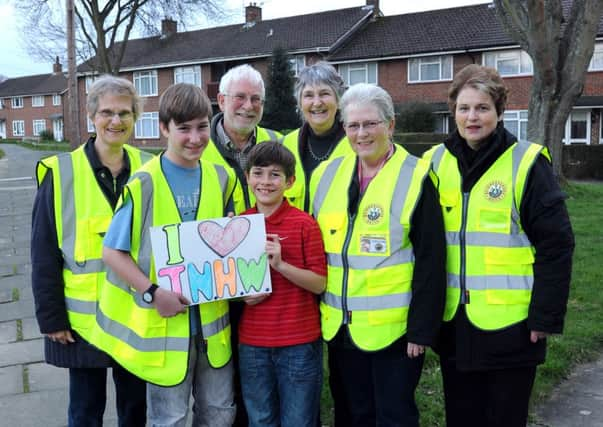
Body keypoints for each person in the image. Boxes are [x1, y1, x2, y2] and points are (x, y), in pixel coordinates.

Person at [423, 64, 575, 427]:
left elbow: (557, 246)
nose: (471, 117)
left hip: (514, 328)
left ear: (500, 111)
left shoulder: (526, 163)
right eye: (464, 108)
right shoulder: (433, 162)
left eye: (482, 108)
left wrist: (546, 316)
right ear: (453, 111)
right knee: (462, 418)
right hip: (455, 327)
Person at [97, 83, 236, 426]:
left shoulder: (223, 177)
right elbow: (112, 252)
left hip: (213, 330)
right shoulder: (144, 183)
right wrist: (152, 292)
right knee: (170, 419)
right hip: (165, 332)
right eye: (183, 128)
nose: (195, 138)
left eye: (202, 126)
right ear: (163, 128)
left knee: (219, 415)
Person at [309, 83, 447, 427]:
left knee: (393, 416)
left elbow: (432, 260)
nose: (361, 133)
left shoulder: (417, 176)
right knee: (351, 414)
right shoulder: (326, 175)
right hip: (340, 327)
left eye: (370, 124)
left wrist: (421, 329)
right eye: (353, 125)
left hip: (395, 332)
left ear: (391, 125)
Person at [31, 75, 151, 426]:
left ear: (135, 118)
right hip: (84, 321)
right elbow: (43, 253)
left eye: (125, 113)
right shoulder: (61, 172)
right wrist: (51, 317)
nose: (116, 121)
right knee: (85, 412)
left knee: (135, 411)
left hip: (135, 317)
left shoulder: (150, 168)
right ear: (92, 116)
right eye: (108, 113)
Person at [237, 141, 327, 427]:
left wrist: (281, 266)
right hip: (252, 343)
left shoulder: (304, 224)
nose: (265, 182)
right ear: (248, 177)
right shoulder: (238, 225)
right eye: (258, 173)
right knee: (260, 419)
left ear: (290, 182)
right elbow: (229, 284)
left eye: (275, 175)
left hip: (298, 343)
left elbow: (319, 283)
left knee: (298, 420)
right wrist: (242, 296)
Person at [206, 63, 282, 214]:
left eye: (256, 99)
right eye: (240, 97)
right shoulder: (197, 149)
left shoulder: (280, 144)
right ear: (221, 101)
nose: (248, 106)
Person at [282, 61, 353, 212]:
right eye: (308, 95)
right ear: (300, 103)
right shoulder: (284, 146)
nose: (317, 103)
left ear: (338, 100)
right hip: (294, 235)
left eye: (324, 94)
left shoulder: (356, 144)